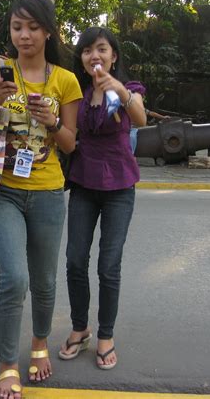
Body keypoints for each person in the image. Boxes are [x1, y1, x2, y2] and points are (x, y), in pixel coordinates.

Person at [0, 0, 82, 398]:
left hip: (49, 192)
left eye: (33, 27)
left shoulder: (64, 81)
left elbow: (70, 144)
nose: (24, 35)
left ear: (49, 32)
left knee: (44, 282)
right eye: (17, 27)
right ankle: (6, 364)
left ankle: (39, 343)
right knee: (14, 278)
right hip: (2, 190)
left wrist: (52, 122)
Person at [58, 27, 146, 370]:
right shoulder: (76, 93)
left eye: (101, 49)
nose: (94, 55)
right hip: (83, 183)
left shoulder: (129, 89)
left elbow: (138, 117)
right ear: (81, 59)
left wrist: (120, 90)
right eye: (87, 51)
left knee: (109, 266)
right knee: (75, 260)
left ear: (113, 56)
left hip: (120, 188)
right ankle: (81, 328)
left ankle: (106, 335)